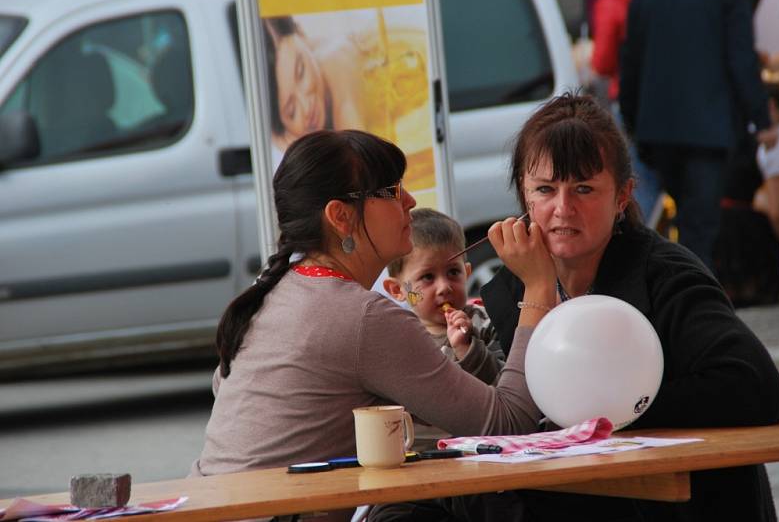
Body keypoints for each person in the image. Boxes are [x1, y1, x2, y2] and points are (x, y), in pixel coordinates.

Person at [371, 93, 779, 522]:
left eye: (584, 189)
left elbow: (759, 388)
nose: (562, 209)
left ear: (622, 196)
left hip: (678, 504)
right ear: (524, 197)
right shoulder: (508, 290)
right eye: (545, 190)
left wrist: (603, 413)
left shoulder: (667, 276)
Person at [191, 129, 555, 521]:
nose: (410, 201)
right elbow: (508, 423)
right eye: (391, 191)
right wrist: (537, 285)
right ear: (341, 217)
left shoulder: (275, 292)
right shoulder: (362, 317)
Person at [619, 0, 778, 269]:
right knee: (700, 231)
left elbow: (631, 64)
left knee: (678, 222)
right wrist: (761, 118)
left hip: (658, 130)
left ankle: (679, 296)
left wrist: (634, 122)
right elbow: (741, 59)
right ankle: (695, 302)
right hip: (709, 130)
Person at [383, 208, 505, 450]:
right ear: (397, 290)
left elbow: (504, 389)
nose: (444, 287)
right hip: (419, 456)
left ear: (467, 273)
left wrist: (468, 349)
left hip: (480, 451)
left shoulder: (484, 323)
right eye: (427, 277)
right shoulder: (397, 338)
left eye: (453, 272)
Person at [264, 16, 428, 153]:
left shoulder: (334, 58)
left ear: (302, 36)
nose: (306, 107)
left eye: (301, 72)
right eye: (291, 111)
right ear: (281, 128)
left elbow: (356, 172)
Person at [714, 82, 779, 306]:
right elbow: (778, 213)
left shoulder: (721, 130)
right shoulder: (770, 144)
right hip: (746, 240)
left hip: (713, 234)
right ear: (771, 107)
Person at [589, 0, 662, 225]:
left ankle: (642, 245)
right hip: (669, 104)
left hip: (629, 102)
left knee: (641, 187)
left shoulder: (611, 2)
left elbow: (602, 63)